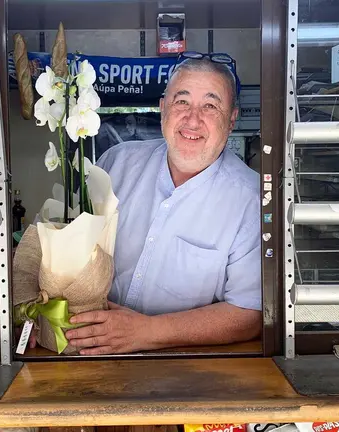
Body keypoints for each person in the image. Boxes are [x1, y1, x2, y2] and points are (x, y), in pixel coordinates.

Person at [63, 53, 261, 355]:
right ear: (163, 108)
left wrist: (148, 332)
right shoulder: (116, 163)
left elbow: (249, 314)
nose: (193, 119)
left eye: (210, 105)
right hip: (90, 350)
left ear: (231, 119)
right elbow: (70, 249)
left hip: (189, 370)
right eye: (182, 102)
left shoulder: (251, 199)